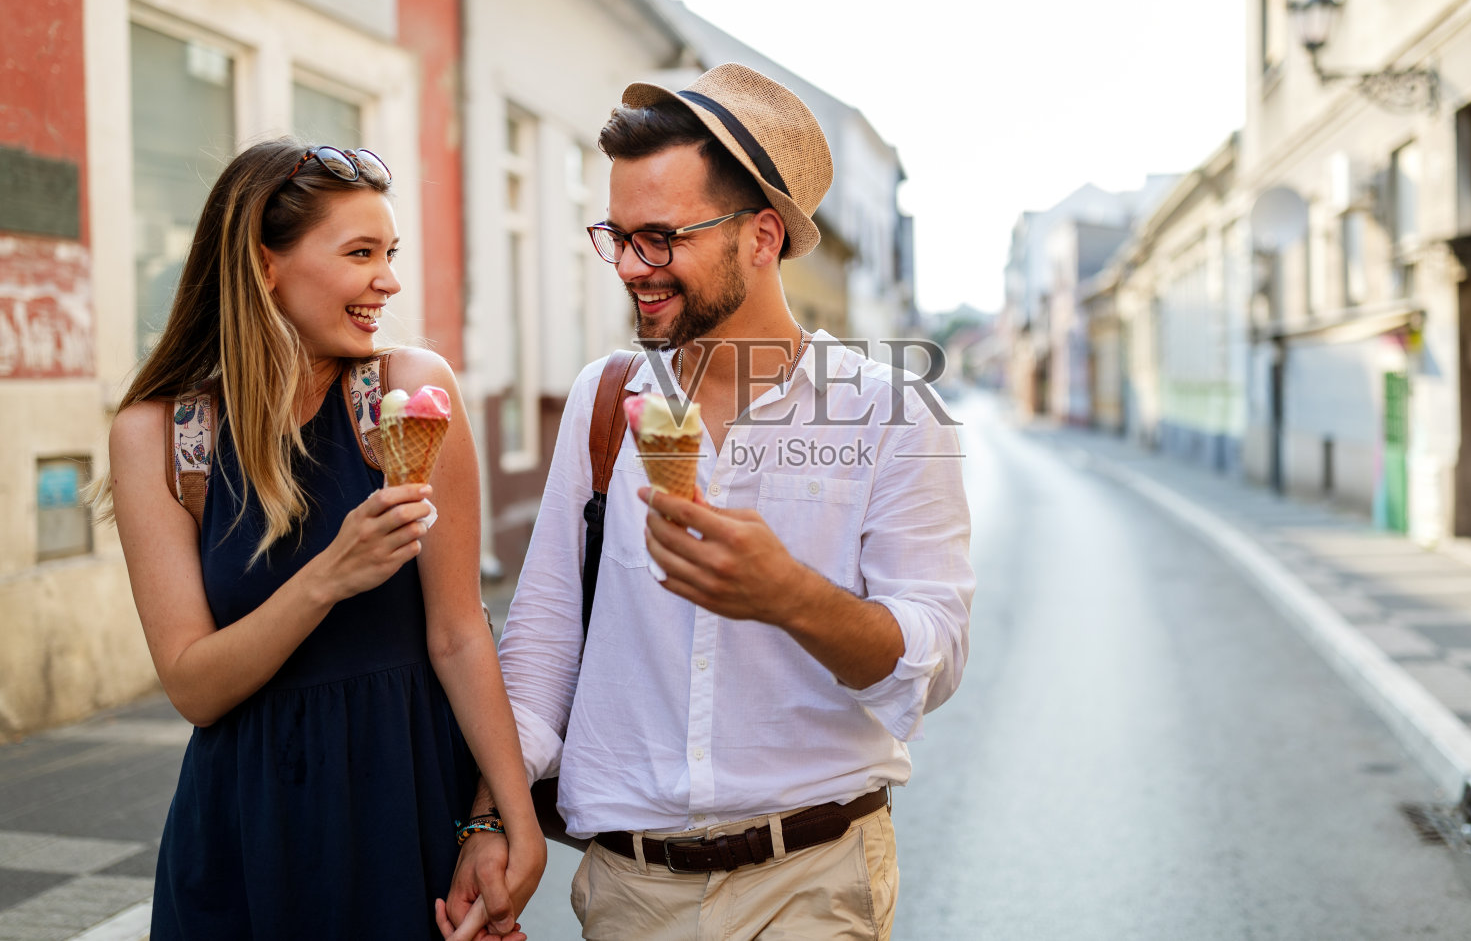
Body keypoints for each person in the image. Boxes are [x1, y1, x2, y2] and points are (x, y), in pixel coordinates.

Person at [440, 64, 975, 940]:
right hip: (627, 891)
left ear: (761, 237)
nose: (629, 266)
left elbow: (934, 660)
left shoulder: (891, 412)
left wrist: (789, 595)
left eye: (660, 237)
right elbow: (544, 638)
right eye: (615, 235)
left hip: (811, 878)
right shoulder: (604, 399)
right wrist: (493, 815)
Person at [99, 139, 543, 939]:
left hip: (406, 809)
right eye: (360, 252)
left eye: (392, 252)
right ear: (266, 265)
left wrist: (508, 817)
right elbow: (194, 685)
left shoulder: (411, 395)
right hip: (246, 832)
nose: (390, 280)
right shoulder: (162, 435)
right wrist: (329, 575)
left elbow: (459, 632)